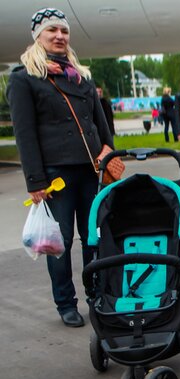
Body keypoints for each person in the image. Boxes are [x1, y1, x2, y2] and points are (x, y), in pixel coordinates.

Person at [7, 7, 114, 327]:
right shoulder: (24, 78)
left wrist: (109, 156)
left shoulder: (81, 75)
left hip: (90, 169)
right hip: (56, 175)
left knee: (94, 236)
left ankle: (98, 294)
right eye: (52, 31)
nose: (59, 36)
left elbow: (101, 123)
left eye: (64, 31)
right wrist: (35, 180)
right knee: (61, 242)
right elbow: (24, 134)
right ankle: (66, 302)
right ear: (37, 37)